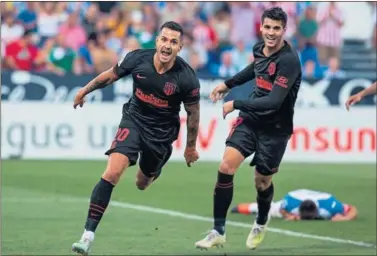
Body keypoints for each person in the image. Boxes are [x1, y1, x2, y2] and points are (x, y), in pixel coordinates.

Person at [71, 21, 201, 255]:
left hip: (161, 134)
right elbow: (109, 76)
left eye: (173, 42)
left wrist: (190, 147)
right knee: (112, 172)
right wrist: (84, 90)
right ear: (157, 41)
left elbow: (193, 114)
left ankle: (155, 169)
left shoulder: (186, 78)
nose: (167, 45)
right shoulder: (137, 59)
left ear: (180, 47)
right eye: (164, 39)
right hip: (134, 120)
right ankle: (87, 235)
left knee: (142, 183)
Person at [195, 7, 302, 250]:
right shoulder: (259, 48)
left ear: (284, 30)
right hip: (251, 119)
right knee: (226, 165)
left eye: (276, 28)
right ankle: (218, 230)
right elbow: (254, 69)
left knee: (262, 182)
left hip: (276, 128)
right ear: (261, 27)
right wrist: (227, 84)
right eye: (267, 27)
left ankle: (262, 221)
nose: (271, 33)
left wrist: (235, 103)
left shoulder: (289, 61)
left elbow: (274, 101)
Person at [231, 189, 358, 221]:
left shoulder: (331, 205)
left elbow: (352, 208)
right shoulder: (291, 203)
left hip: (320, 198)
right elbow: (281, 209)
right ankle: (239, 208)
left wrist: (345, 218)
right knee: (268, 208)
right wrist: (288, 215)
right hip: (296, 196)